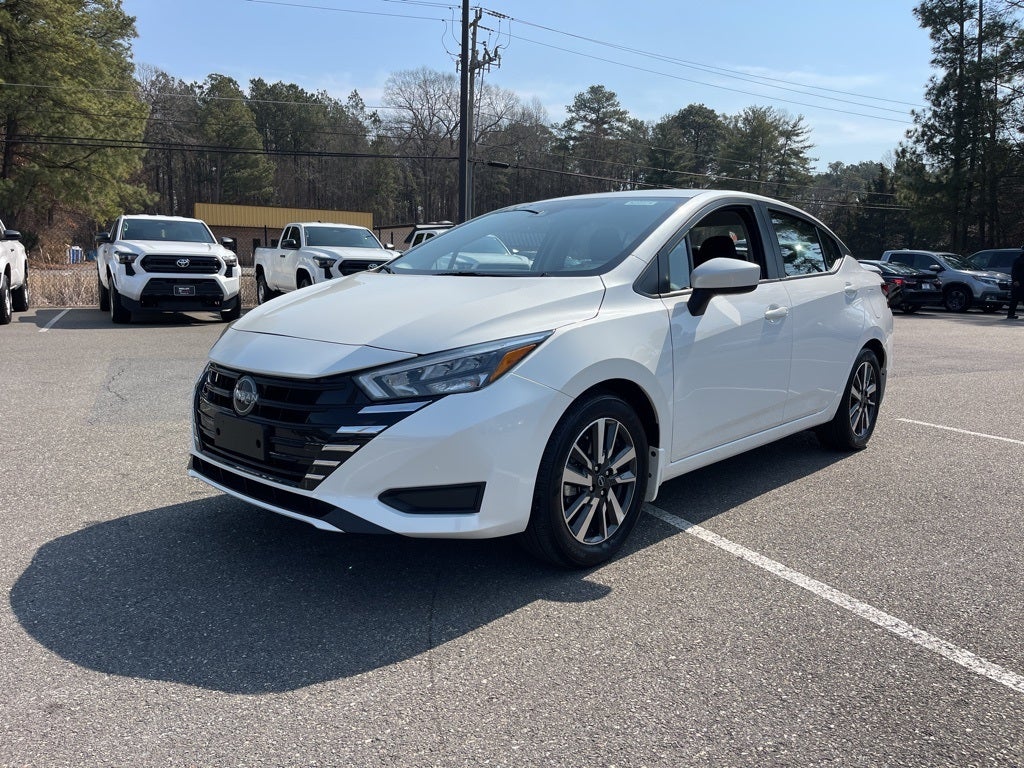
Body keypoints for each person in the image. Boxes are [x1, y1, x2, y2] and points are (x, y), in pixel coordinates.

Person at [1007, 247, 1024, 320]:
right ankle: (1010, 314)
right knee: (1015, 299)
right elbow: (1014, 271)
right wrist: (1015, 280)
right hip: (1019, 282)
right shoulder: (1018, 260)